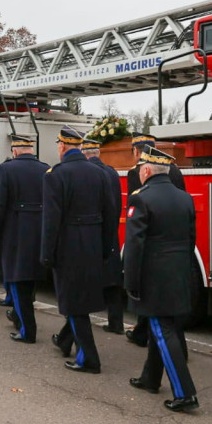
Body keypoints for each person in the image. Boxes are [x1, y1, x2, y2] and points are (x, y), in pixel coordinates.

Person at [125, 147, 199, 412]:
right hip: (178, 272)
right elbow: (191, 240)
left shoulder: (140, 199)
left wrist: (131, 283)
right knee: (164, 327)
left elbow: (134, 247)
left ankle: (185, 393)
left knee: (161, 329)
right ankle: (150, 378)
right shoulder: (184, 198)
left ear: (145, 170)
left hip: (153, 277)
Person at [42, 126, 117, 374]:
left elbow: (51, 220)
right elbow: (110, 215)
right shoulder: (100, 173)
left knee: (73, 303)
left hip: (68, 245)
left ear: (62, 146)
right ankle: (66, 342)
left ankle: (89, 359)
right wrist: (107, 248)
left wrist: (47, 253)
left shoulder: (56, 174)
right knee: (81, 299)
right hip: (93, 243)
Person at [0, 134, 49, 343]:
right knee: (30, 280)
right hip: (39, 231)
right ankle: (22, 321)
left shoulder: (6, 169)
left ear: (14, 151)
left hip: (14, 233)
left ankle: (26, 330)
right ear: (30, 149)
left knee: (16, 281)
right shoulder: (45, 168)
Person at [126, 132, 186, 346]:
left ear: (136, 151)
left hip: (153, 247)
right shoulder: (175, 170)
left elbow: (136, 217)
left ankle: (143, 333)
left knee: (148, 301)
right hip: (176, 247)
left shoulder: (137, 173)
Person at [82, 138, 124, 334]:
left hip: (91, 233)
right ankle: (116, 322)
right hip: (111, 231)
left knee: (86, 281)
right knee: (112, 280)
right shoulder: (112, 172)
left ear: (84, 153)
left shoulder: (88, 173)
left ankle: (77, 325)